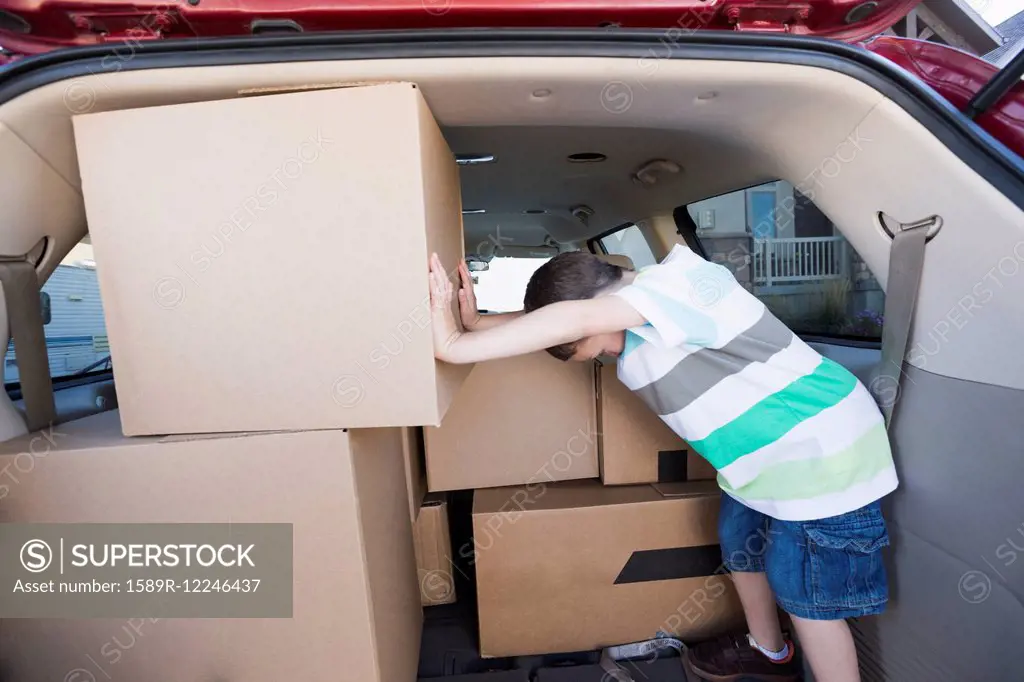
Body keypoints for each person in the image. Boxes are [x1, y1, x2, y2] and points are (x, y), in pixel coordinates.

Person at [428, 246, 896, 682]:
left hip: (820, 454)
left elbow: (578, 316)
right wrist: (478, 325)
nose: (609, 354)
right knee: (740, 545)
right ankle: (769, 652)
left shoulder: (684, 284)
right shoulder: (631, 316)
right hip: (760, 465)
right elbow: (570, 319)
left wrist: (453, 346)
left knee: (806, 597)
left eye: (594, 347)